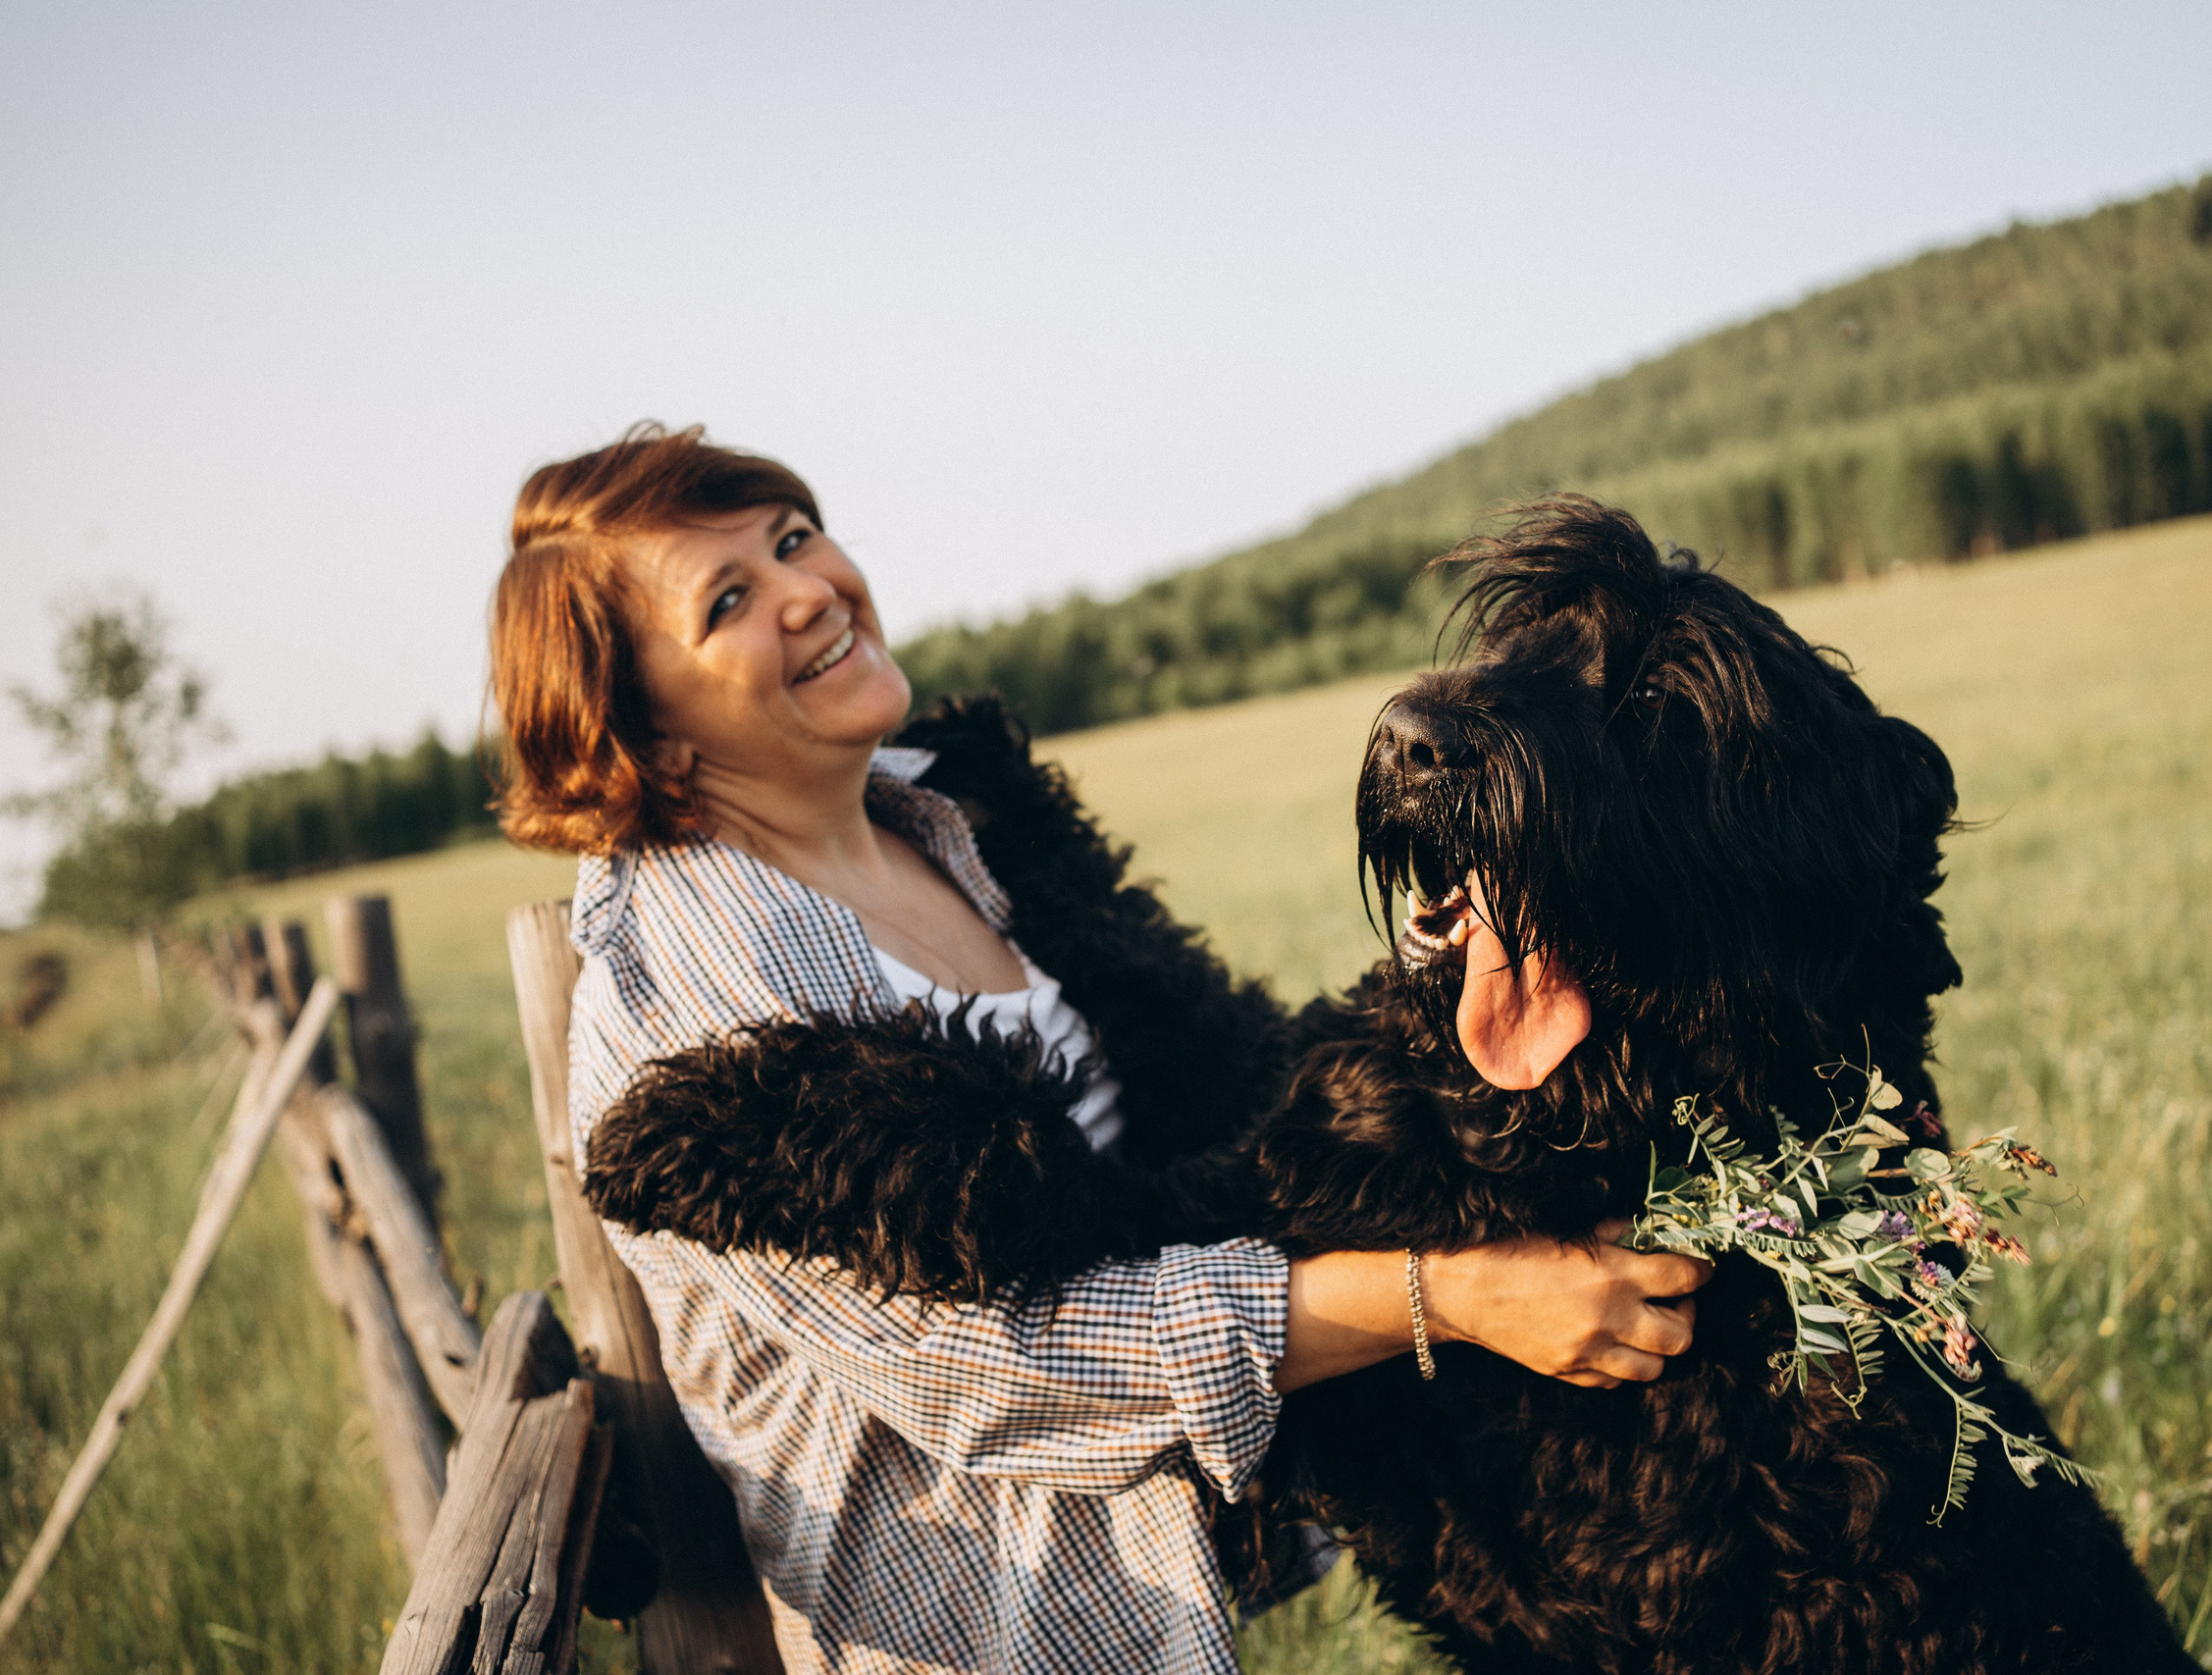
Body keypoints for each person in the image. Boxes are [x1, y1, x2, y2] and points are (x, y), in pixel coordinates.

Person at [487, 422, 1710, 1675]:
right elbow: (985, 1370)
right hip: (984, 1633)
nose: (810, 592)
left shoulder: (950, 816)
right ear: (639, 732)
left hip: (1171, 1568)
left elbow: (1225, 1105)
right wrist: (1440, 1295)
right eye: (730, 599)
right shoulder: (702, 1000)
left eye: (793, 538)